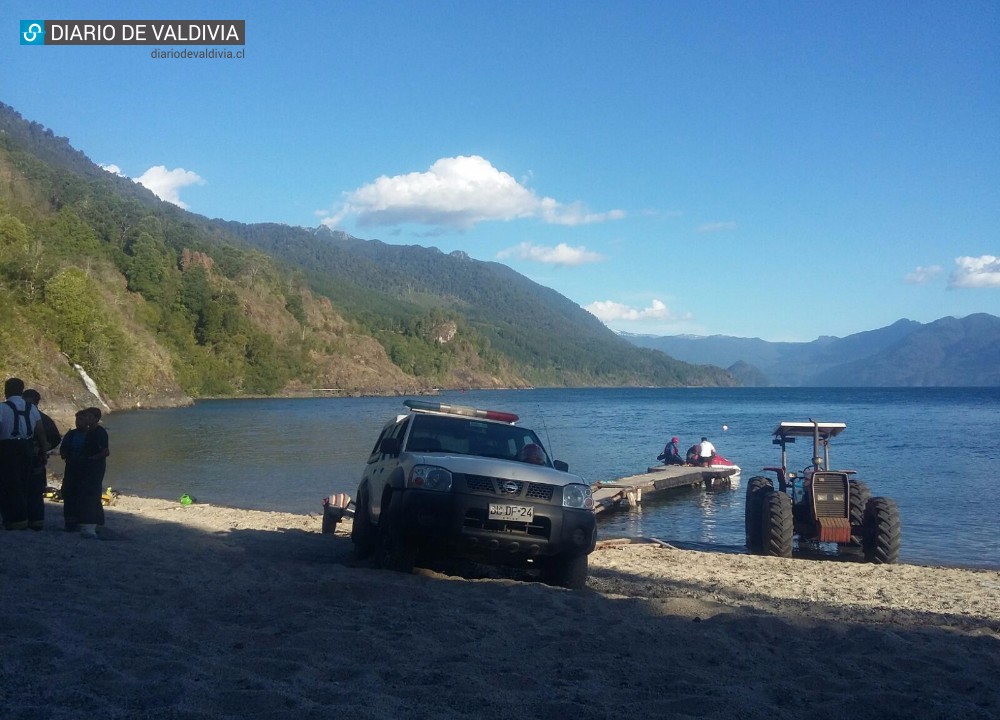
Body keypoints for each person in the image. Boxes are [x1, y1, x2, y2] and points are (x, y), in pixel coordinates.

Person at [0, 377, 47, 530]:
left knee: (9, 484)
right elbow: (40, 431)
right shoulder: (31, 408)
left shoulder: (2, 408)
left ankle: (15, 520)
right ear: (21, 391)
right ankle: (31, 519)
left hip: (8, 447)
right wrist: (43, 452)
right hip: (27, 447)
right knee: (25, 483)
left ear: (6, 391)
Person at [60, 407, 109, 538]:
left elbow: (105, 451)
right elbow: (64, 450)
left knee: (90, 496)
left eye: (87, 417)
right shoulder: (72, 434)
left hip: (91, 469)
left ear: (96, 419)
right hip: (75, 468)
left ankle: (93, 525)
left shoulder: (98, 432)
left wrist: (91, 459)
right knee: (70, 493)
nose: (83, 421)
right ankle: (72, 523)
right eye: (81, 418)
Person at [21, 389, 61, 530]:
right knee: (34, 492)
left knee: (25, 490)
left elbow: (55, 438)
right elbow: (55, 438)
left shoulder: (21, 416)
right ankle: (35, 521)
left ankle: (27, 520)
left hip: (26, 460)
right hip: (35, 460)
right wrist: (44, 448)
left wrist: (42, 449)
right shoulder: (43, 418)